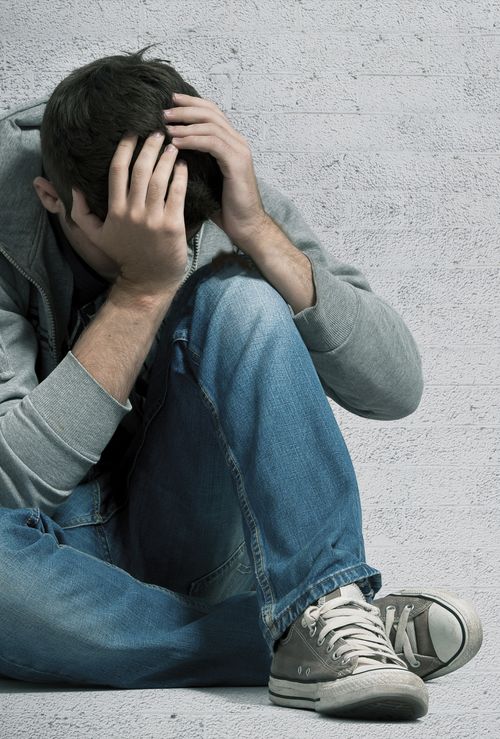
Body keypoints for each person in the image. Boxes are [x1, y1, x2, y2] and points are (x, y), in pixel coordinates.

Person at [0, 44, 482, 721]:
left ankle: (325, 603)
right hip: (50, 559)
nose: (169, 238)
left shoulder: (209, 182)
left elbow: (396, 387)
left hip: (189, 527)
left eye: (179, 229)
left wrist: (254, 229)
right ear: (52, 197)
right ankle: (312, 634)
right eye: (132, 235)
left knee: (244, 299)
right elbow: (10, 483)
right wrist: (143, 286)